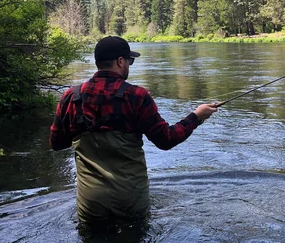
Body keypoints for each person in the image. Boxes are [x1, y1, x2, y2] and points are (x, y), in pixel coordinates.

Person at [49, 36, 217, 223]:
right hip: (130, 199)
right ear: (120, 61)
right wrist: (196, 116)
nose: (129, 65)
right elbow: (166, 139)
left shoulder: (71, 96)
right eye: (129, 61)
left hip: (91, 201)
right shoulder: (137, 96)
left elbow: (56, 143)